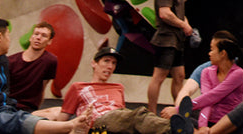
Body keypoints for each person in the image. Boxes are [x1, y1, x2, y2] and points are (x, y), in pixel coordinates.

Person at [37, 47, 169, 134]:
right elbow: (63, 120)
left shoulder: (118, 87)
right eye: (106, 61)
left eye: (113, 63)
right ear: (94, 63)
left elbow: (123, 116)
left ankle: (179, 127)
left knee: (136, 121)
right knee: (138, 115)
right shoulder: (78, 87)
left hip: (119, 119)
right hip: (98, 121)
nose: (110, 66)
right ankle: (174, 128)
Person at [163, 32, 243, 134]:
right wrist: (202, 126)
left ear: (223, 53)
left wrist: (178, 109)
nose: (209, 53)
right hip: (208, 121)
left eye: (212, 50)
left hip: (227, 124)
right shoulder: (206, 72)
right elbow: (206, 100)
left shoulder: (239, 73)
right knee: (179, 117)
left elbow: (214, 96)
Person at [147, 0, 192, 113]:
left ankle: (178, 111)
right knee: (159, 76)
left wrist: (186, 25)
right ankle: (151, 113)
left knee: (179, 76)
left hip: (177, 39)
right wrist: (183, 25)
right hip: (166, 39)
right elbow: (164, 13)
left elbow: (179, 14)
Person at [8, 22, 59, 112]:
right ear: (31, 37)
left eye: (44, 36)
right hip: (8, 106)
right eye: (36, 34)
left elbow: (43, 87)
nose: (38, 38)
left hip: (29, 109)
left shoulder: (50, 61)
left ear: (49, 41)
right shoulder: (11, 61)